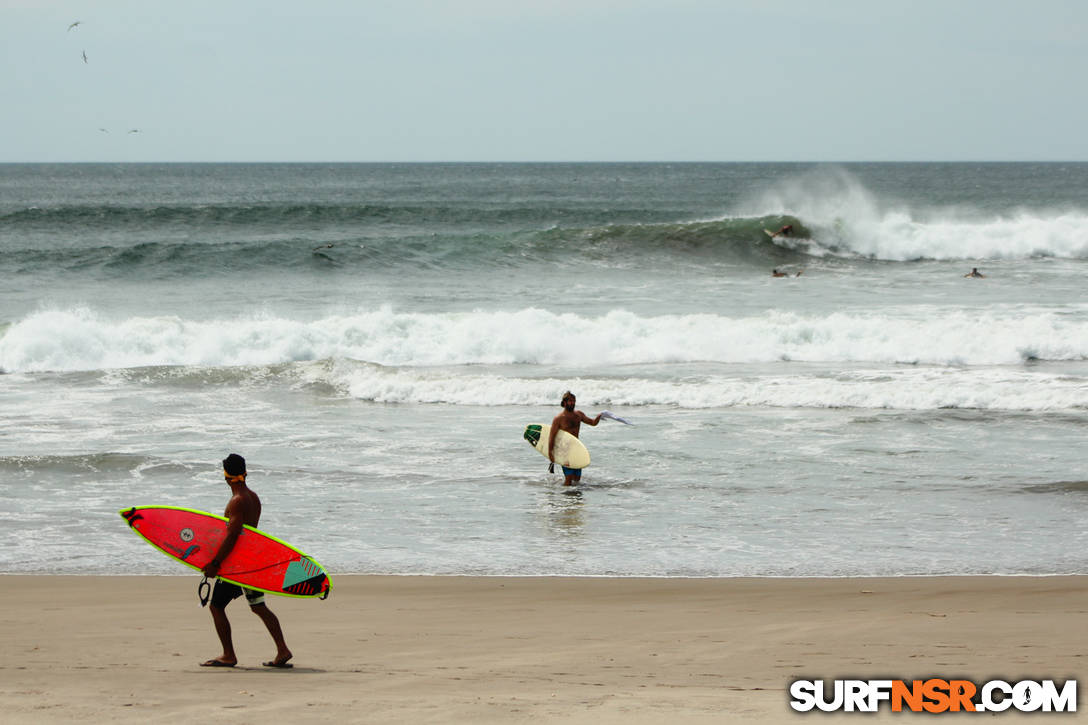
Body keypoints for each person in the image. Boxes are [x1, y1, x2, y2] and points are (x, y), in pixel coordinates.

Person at [200, 453, 293, 669]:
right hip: (252, 563)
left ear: (225, 476)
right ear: (244, 472)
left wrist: (215, 563)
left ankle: (228, 655)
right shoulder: (253, 497)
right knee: (259, 606)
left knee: (216, 606)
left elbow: (233, 535)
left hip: (238, 566)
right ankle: (283, 650)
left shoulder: (237, 501)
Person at [548, 391, 601, 486]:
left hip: (576, 450)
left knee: (577, 479)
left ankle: (574, 498)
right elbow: (552, 436)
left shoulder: (578, 415)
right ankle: (565, 498)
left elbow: (592, 422)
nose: (573, 403)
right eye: (570, 401)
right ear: (564, 403)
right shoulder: (559, 418)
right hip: (565, 451)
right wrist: (550, 453)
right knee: (568, 479)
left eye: (574, 401)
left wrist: (599, 417)